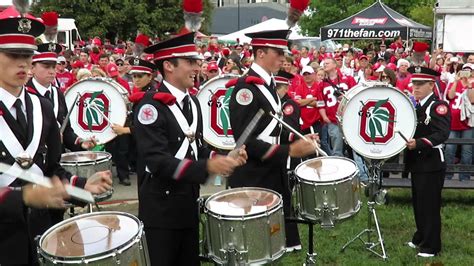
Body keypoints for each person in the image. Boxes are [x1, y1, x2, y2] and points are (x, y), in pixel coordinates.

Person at [0, 14, 112, 265]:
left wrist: (81, 185)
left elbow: (52, 170)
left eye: (26, 55)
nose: (22, 64)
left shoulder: (42, 107)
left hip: (42, 230)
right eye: (12, 55)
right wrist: (24, 197)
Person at [133, 32, 247, 266]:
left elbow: (197, 149)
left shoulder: (193, 102)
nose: (197, 67)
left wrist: (224, 158)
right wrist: (208, 166)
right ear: (168, 66)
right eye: (190, 62)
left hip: (188, 205)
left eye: (197, 61)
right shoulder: (150, 106)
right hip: (161, 212)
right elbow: (158, 162)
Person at [227, 29, 318, 252]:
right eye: (277, 52)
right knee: (254, 245)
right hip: (253, 172)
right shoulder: (246, 88)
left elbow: (269, 127)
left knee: (270, 242)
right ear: (260, 53)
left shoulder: (266, 84)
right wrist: (289, 151)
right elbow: (245, 140)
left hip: (270, 167)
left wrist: (295, 138)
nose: (282, 58)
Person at [405, 66, 450, 257]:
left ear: (431, 85)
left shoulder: (438, 106)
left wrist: (420, 143)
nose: (415, 87)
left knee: (429, 205)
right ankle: (421, 235)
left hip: (431, 163)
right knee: (419, 202)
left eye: (420, 84)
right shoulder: (417, 105)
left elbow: (442, 133)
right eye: (414, 83)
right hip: (418, 162)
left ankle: (432, 245)